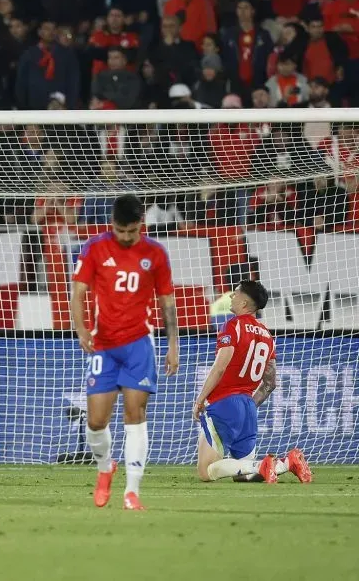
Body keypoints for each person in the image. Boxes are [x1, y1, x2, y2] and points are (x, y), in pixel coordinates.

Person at [70, 194, 180, 510]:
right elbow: (78, 292)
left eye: (132, 231)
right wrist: (80, 330)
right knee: (95, 422)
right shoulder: (95, 248)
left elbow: (167, 303)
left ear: (140, 225)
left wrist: (173, 346)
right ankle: (105, 468)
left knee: (135, 415)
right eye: (121, 231)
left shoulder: (155, 254)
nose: (127, 237)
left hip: (138, 345)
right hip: (103, 345)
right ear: (112, 225)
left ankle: (131, 492)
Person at [192, 281, 312, 485]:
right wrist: (247, 406)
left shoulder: (233, 325)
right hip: (248, 407)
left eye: (236, 293)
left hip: (224, 404)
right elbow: (270, 382)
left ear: (245, 302)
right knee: (243, 476)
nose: (231, 296)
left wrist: (200, 400)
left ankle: (263, 465)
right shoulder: (267, 335)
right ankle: (286, 462)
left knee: (205, 472)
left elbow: (219, 367)